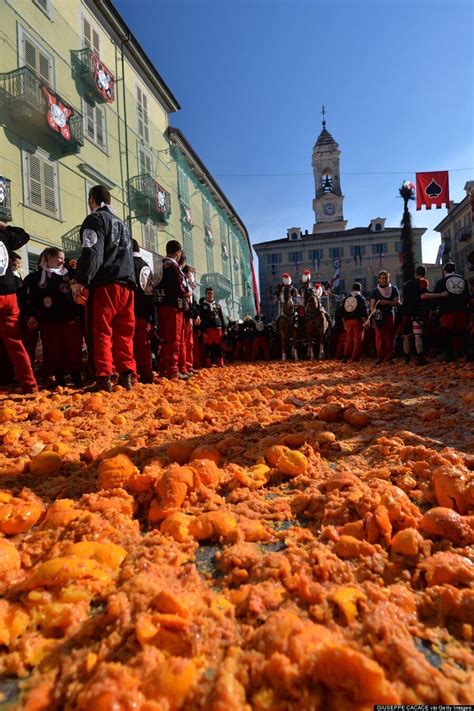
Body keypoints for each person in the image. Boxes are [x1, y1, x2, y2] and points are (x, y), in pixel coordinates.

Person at [72, 185, 136, 392]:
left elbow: (92, 252)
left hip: (106, 285)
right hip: (127, 285)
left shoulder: (95, 219)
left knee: (101, 332)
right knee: (124, 333)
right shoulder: (123, 225)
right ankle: (126, 375)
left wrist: (81, 280)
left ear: (91, 199)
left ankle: (103, 378)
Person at [24, 247, 83, 387]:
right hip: (48, 320)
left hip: (70, 318)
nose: (62, 261)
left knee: (73, 348)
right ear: (48, 257)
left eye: (63, 258)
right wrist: (32, 315)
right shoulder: (36, 278)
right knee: (53, 350)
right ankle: (59, 379)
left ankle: (77, 377)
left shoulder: (70, 274)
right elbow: (31, 299)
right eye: (59, 258)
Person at [0, 222, 37, 393]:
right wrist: (4, 226)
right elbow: (24, 235)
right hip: (9, 294)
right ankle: (29, 384)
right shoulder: (5, 235)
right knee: (16, 343)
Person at [421, 262, 470, 362]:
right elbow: (467, 297)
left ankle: (450, 356)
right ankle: (468, 354)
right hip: (462, 312)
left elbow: (436, 298)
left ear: (444, 271)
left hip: (447, 312)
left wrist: (432, 309)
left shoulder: (442, 282)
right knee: (463, 334)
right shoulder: (463, 281)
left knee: (448, 335)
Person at [155, 240, 188, 380]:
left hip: (160, 305)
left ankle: (163, 368)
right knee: (173, 339)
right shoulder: (173, 267)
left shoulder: (158, 264)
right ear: (178, 252)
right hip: (173, 306)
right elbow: (182, 288)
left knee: (163, 339)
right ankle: (172, 370)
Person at [132, 239, 154, 383]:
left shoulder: (127, 264)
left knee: (130, 345)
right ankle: (147, 375)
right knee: (144, 345)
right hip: (145, 310)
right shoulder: (146, 266)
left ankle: (132, 374)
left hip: (132, 309)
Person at [400, 265, 429, 365]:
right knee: (417, 335)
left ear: (415, 273)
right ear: (424, 273)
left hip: (406, 313)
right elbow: (423, 295)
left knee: (407, 336)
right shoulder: (423, 282)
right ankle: (420, 358)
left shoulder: (406, 284)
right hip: (417, 312)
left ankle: (407, 358)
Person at [370, 270, 400, 363]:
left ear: (388, 279)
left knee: (389, 336)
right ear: (379, 280)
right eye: (382, 278)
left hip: (390, 315)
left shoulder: (394, 289)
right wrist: (375, 314)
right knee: (379, 336)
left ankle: (389, 356)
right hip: (378, 317)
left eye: (386, 278)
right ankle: (380, 356)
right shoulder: (375, 291)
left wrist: (387, 302)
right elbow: (372, 306)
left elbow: (398, 303)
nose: (384, 280)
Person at [342, 282, 368, 362]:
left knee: (349, 339)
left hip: (348, 321)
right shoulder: (361, 298)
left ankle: (346, 356)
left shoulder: (346, 298)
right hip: (357, 321)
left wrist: (344, 320)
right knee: (357, 339)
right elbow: (364, 310)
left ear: (352, 289)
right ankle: (355, 357)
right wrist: (366, 320)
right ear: (360, 289)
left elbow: (342, 310)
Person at [199, 287, 225, 367]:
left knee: (219, 346)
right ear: (206, 295)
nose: (210, 295)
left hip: (218, 328)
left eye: (212, 293)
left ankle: (221, 363)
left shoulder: (218, 305)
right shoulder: (202, 306)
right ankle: (208, 363)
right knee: (208, 346)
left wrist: (225, 329)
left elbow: (221, 318)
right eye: (209, 293)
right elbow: (201, 320)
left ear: (213, 294)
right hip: (208, 329)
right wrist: (203, 331)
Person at [182, 265, 199, 375]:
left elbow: (194, 304)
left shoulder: (191, 290)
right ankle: (185, 366)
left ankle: (189, 365)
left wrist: (196, 315)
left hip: (191, 318)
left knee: (190, 343)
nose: (193, 277)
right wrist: (189, 317)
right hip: (185, 317)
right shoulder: (184, 287)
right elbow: (186, 303)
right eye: (191, 274)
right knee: (186, 342)